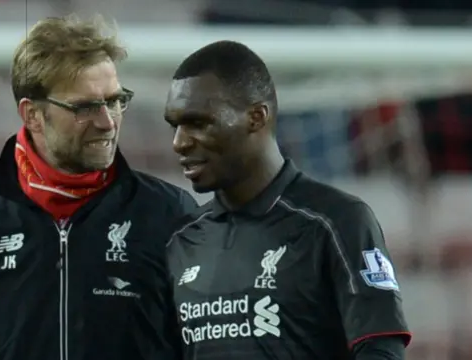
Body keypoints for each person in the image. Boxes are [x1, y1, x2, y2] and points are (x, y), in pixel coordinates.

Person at [0, 14, 196, 360]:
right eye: (85, 107)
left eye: (116, 100)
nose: (107, 122)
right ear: (32, 115)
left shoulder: (170, 213)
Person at [163, 40, 411, 360]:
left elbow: (381, 352)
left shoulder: (336, 222)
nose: (179, 143)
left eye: (198, 123)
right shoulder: (180, 240)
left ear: (256, 117)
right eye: (175, 126)